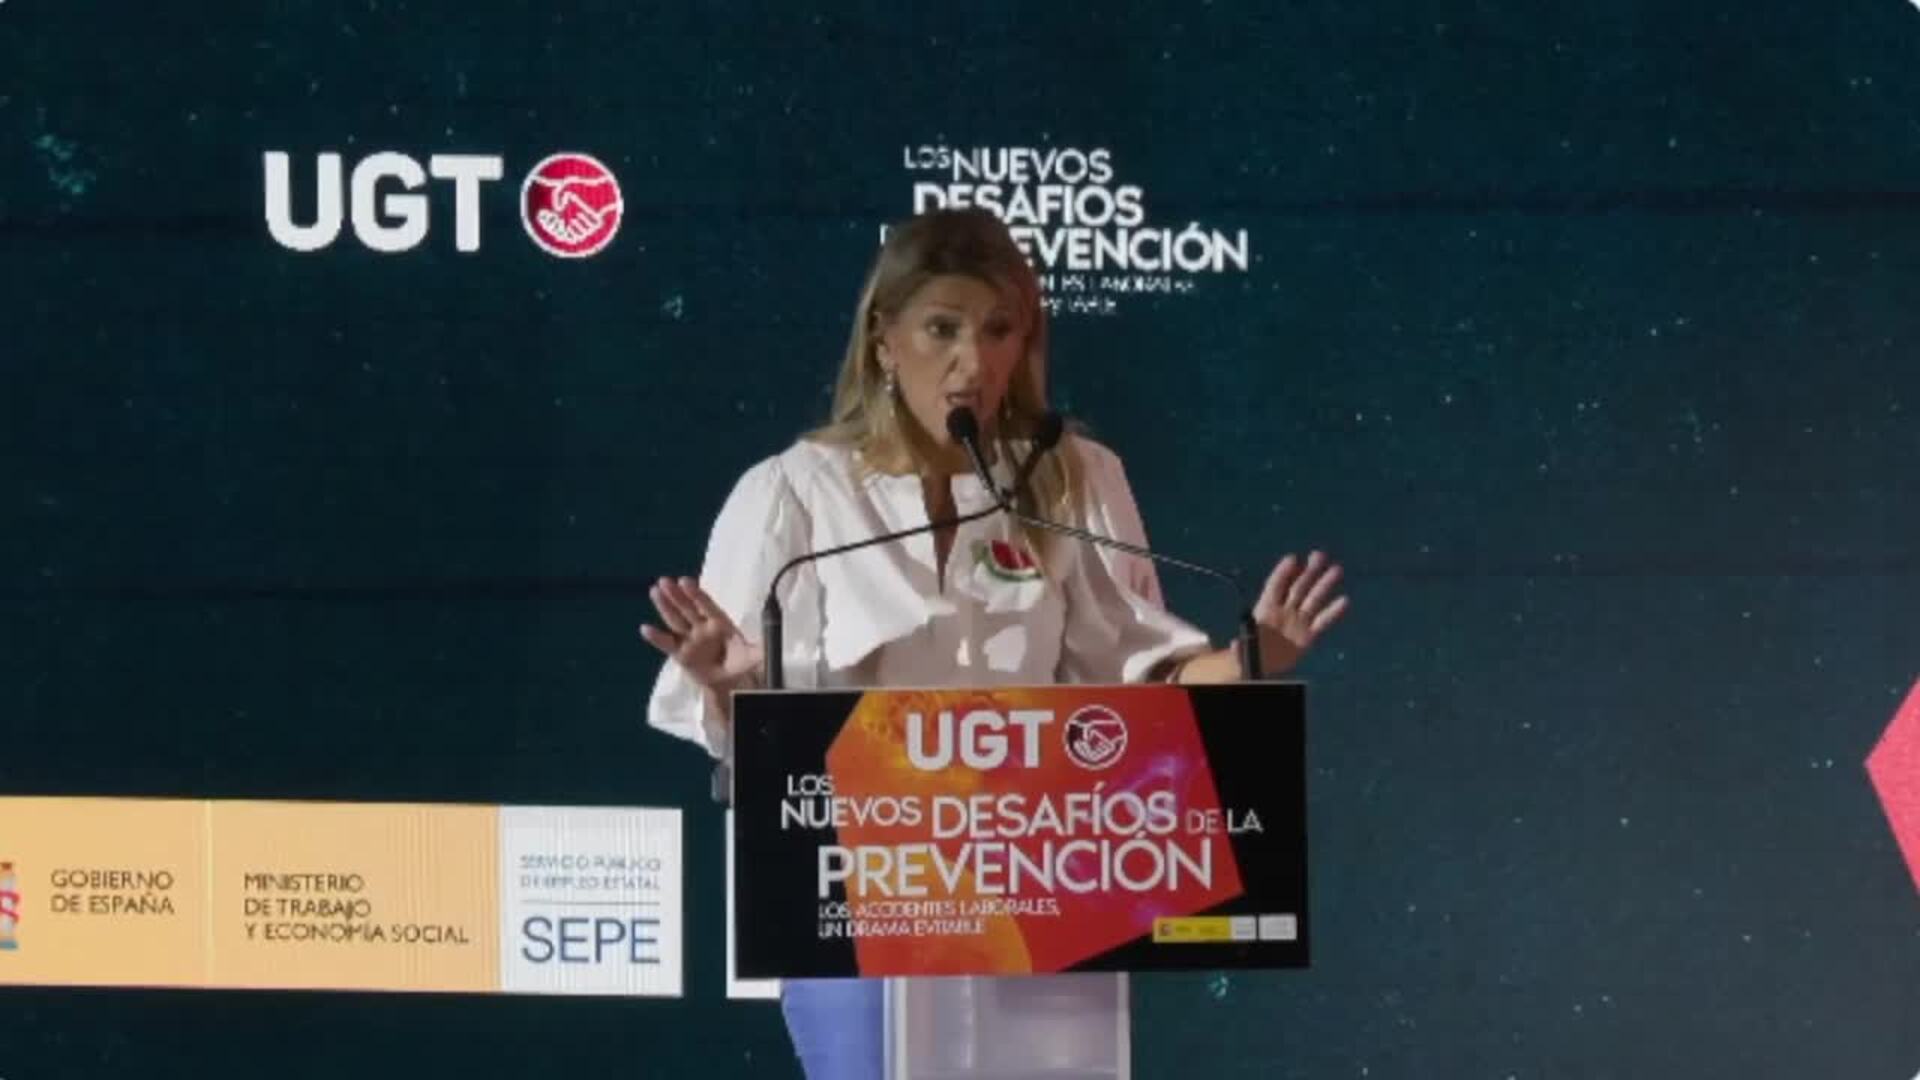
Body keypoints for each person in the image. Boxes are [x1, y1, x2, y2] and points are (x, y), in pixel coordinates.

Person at [641, 208, 1347, 1080]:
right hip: (861, 897)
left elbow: (1137, 679)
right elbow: (752, 742)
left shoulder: (1072, 479)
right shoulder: (793, 493)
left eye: (998, 330)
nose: (972, 363)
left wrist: (1249, 660)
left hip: (1046, 891)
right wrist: (731, 690)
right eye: (942, 328)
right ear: (884, 338)